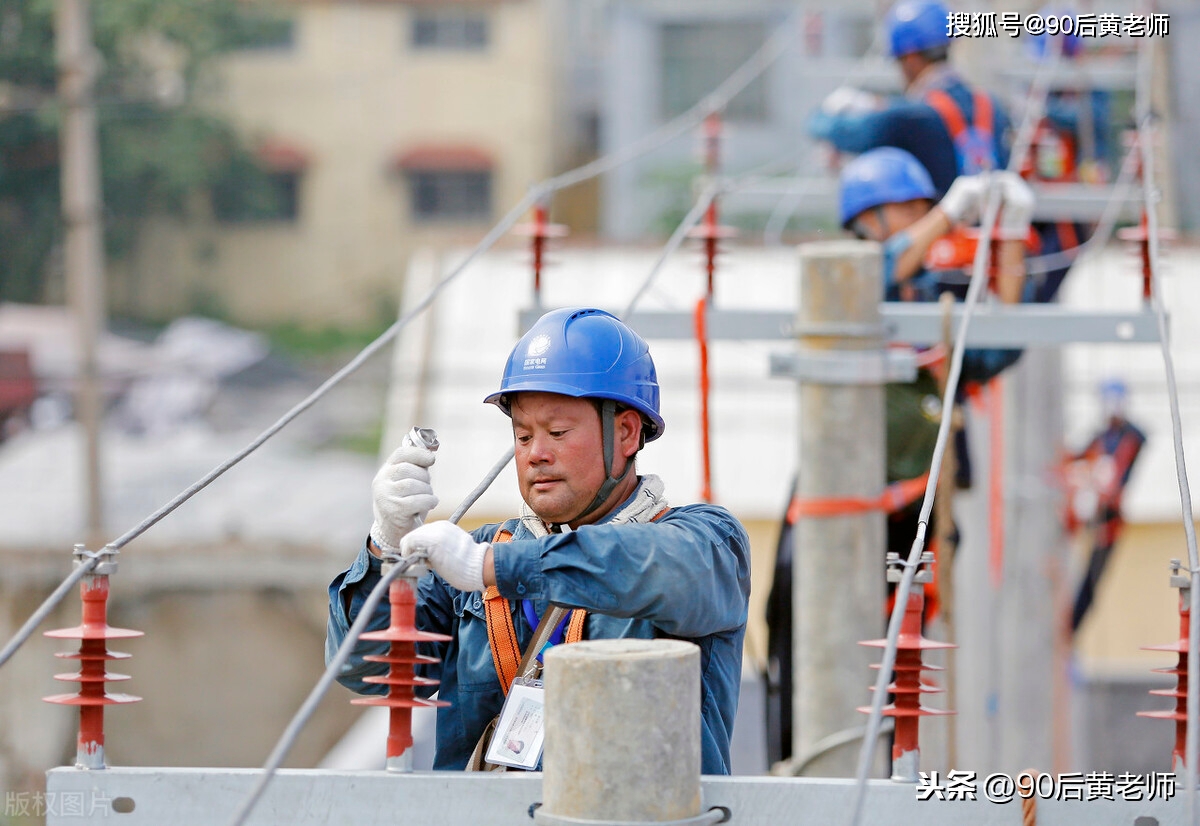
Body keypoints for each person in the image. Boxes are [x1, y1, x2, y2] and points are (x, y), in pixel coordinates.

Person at [326, 307, 752, 775]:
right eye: (523, 435)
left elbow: (645, 566)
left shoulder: (705, 541)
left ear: (627, 432)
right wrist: (384, 546)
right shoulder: (482, 554)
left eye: (558, 432)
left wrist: (494, 567)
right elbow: (368, 670)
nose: (536, 454)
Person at [808, 0, 1013, 196]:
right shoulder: (992, 106)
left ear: (911, 58)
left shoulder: (911, 118)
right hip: (994, 228)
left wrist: (823, 114)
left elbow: (838, 130)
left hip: (937, 230)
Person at [1064, 378, 1146, 633]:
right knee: (1088, 568)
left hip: (1109, 513)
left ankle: (1073, 625)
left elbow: (1125, 457)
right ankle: (1070, 623)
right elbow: (1079, 455)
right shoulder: (1103, 437)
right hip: (1096, 508)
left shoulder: (1130, 437)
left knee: (1095, 572)